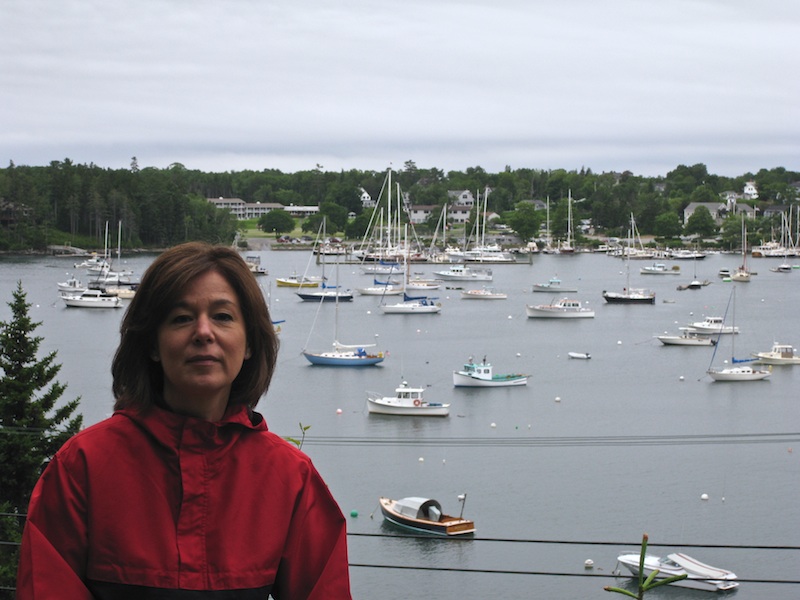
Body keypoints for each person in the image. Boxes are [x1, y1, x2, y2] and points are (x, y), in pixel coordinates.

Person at [17, 242, 352, 599]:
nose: (203, 332)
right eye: (181, 318)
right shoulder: (82, 467)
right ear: (152, 345)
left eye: (223, 316)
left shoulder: (290, 479)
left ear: (250, 343)